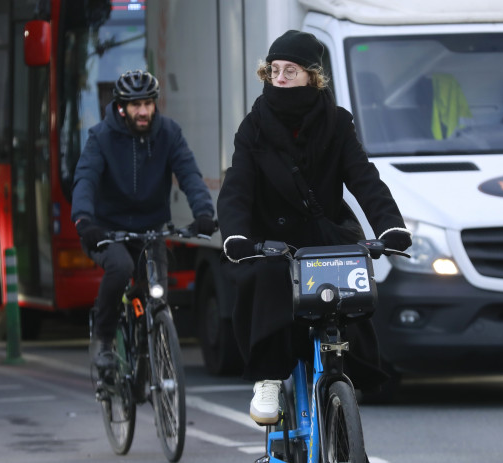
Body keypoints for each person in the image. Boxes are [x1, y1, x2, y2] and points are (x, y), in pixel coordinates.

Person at [216, 30, 412, 425]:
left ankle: (340, 373)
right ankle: (269, 378)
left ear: (313, 77)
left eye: (291, 70)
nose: (281, 78)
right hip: (271, 240)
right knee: (268, 276)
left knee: (351, 284)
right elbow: (237, 187)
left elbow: (364, 179)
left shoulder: (336, 124)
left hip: (324, 236)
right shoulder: (253, 127)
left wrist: (391, 226)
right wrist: (236, 234)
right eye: (274, 70)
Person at [71, 70, 216, 371]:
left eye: (148, 104)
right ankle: (104, 338)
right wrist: (84, 221)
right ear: (122, 107)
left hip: (150, 231)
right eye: (135, 105)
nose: (143, 111)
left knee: (157, 294)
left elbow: (189, 174)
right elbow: (85, 179)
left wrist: (203, 213)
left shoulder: (169, 133)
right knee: (121, 268)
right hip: (106, 231)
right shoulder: (101, 137)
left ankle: (153, 348)